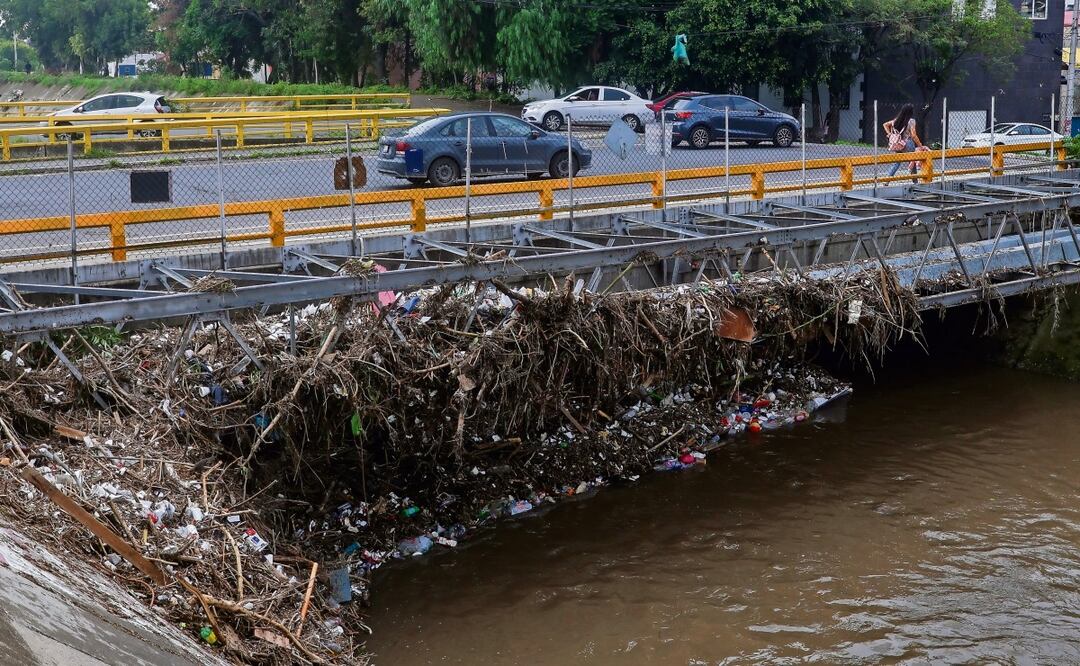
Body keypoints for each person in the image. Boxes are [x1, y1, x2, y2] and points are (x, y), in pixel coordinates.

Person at [883, 104, 923, 177]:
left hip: (898, 144)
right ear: (911, 112)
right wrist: (920, 145)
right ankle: (915, 180)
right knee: (912, 160)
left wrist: (889, 134)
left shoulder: (896, 120)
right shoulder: (911, 121)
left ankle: (887, 180)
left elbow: (885, 124)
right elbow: (914, 135)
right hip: (908, 143)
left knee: (897, 162)